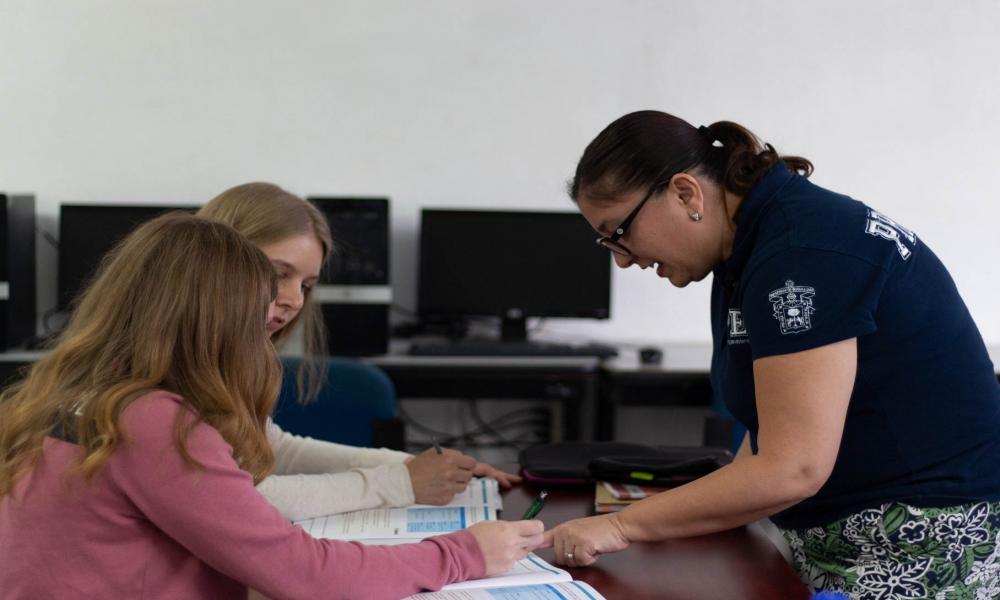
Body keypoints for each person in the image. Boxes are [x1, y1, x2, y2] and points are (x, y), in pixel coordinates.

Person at [542, 110, 1000, 597]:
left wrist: (621, 526)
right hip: (851, 533)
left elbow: (793, 468)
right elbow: (768, 433)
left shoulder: (801, 255)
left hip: (920, 541)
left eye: (620, 231)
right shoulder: (755, 244)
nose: (621, 257)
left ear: (684, 193)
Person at [0, 213, 543, 599]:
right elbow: (303, 576)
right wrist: (464, 553)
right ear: (219, 316)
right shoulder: (151, 419)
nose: (282, 312)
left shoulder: (62, 390)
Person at [197, 183, 521, 521]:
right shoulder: (170, 376)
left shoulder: (232, 360)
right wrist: (400, 483)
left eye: (306, 286)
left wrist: (415, 466)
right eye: (279, 274)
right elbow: (240, 498)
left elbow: (275, 448)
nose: (294, 300)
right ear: (219, 262)